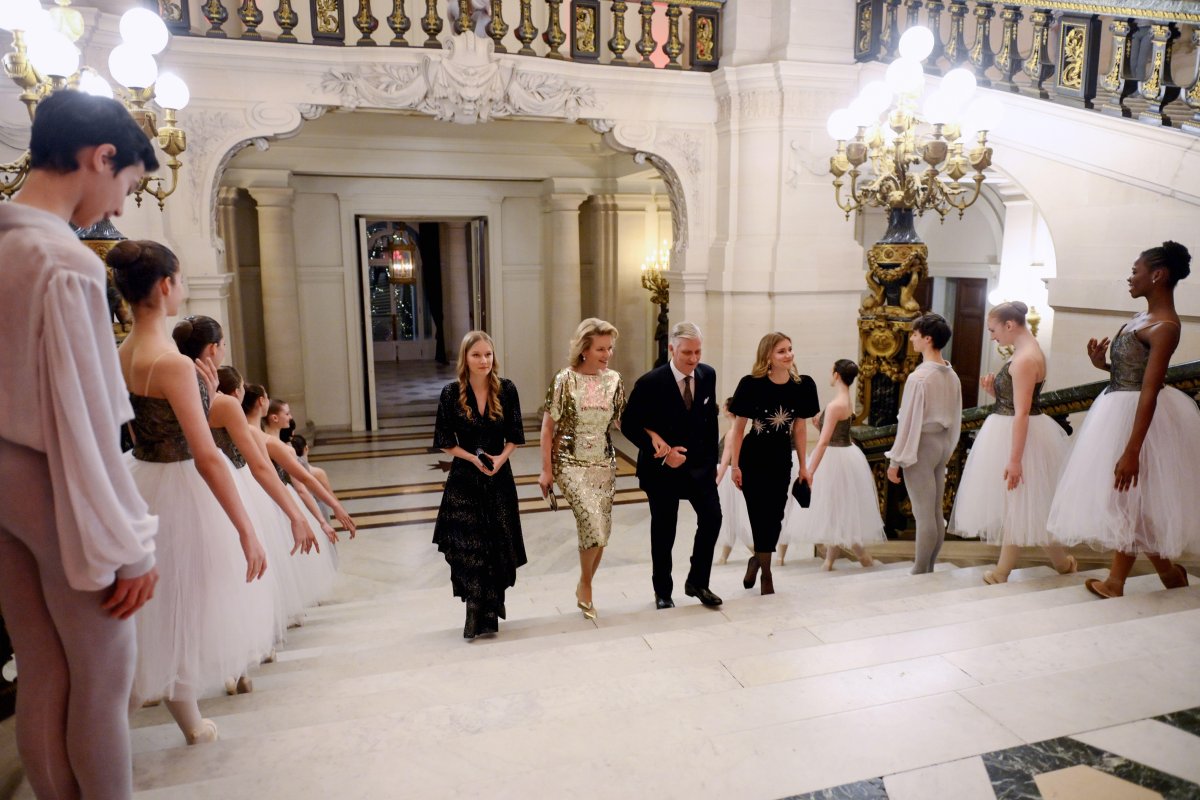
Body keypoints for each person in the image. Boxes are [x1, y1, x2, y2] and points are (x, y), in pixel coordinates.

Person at [0, 89, 160, 800]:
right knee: (102, 673)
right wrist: (132, 546)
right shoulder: (64, 262)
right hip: (51, 481)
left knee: (40, 667)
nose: (121, 206)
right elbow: (89, 418)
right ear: (100, 158)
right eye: (127, 183)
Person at [110, 240, 274, 746]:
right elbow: (205, 454)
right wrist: (246, 528)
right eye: (180, 279)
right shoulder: (174, 363)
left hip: (142, 477)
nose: (182, 287)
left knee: (164, 606)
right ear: (166, 286)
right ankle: (120, 724)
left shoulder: (122, 351)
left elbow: (139, 432)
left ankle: (188, 719)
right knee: (187, 603)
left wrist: (203, 393)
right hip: (180, 484)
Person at [1048, 242, 1199, 597]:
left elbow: (1150, 389)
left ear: (1157, 275)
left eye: (1135, 271)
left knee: (1126, 499)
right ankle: (1168, 573)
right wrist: (1105, 367)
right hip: (1117, 408)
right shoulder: (1140, 318)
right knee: (1126, 501)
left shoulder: (1165, 326)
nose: (1130, 278)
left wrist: (1133, 450)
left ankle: (1116, 582)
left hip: (1140, 420)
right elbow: (1134, 373)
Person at [951, 303, 1077, 583]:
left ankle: (1001, 572)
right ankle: (1062, 564)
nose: (993, 337)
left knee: (1017, 504)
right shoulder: (1027, 352)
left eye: (994, 330)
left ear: (1010, 325)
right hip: (1017, 429)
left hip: (1020, 434)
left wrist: (1015, 459)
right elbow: (1016, 401)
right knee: (1028, 504)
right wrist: (995, 390)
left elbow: (1021, 412)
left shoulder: (1024, 359)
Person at [621, 322, 723, 609]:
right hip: (662, 471)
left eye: (698, 352)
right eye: (687, 353)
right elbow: (628, 425)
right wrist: (663, 452)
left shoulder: (708, 375)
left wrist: (713, 463)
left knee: (713, 518)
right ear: (672, 349)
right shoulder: (650, 383)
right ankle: (663, 591)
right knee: (665, 530)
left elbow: (711, 421)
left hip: (700, 467)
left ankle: (698, 582)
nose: (693, 359)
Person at [433, 331, 527, 639]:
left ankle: (489, 613)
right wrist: (473, 459)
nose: (483, 360)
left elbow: (515, 435)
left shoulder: (507, 389)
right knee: (468, 547)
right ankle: (473, 612)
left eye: (487, 354)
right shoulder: (450, 393)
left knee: (495, 545)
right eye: (476, 355)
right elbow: (445, 443)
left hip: (499, 478)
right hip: (464, 479)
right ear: (465, 359)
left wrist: (500, 459)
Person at [538, 318, 626, 620]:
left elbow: (622, 420)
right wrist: (545, 471)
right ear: (584, 349)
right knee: (590, 520)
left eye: (610, 348)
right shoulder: (565, 379)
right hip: (569, 462)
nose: (607, 354)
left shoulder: (614, 380)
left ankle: (584, 582)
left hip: (603, 462)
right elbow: (547, 428)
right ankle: (586, 585)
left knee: (601, 531)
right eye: (601, 348)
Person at [728, 332, 820, 594]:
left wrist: (804, 466)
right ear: (768, 355)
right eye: (781, 351)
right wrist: (735, 466)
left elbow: (800, 429)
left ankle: (758, 559)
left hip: (781, 458)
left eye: (790, 349)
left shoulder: (802, 386)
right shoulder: (751, 385)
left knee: (776, 516)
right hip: (753, 458)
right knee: (759, 515)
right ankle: (767, 575)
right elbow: (738, 429)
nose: (788, 354)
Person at [886, 313, 963, 575]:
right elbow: (958, 414)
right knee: (934, 509)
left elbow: (908, 422)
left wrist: (896, 460)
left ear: (927, 339)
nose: (912, 339)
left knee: (923, 513)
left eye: (915, 334)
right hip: (941, 444)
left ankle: (920, 569)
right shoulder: (951, 375)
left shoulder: (919, 378)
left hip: (921, 445)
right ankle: (928, 566)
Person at [793, 360, 884, 571]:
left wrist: (810, 470)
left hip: (834, 457)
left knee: (837, 509)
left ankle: (851, 558)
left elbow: (824, 442)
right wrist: (820, 425)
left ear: (836, 375)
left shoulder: (835, 405)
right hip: (846, 454)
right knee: (839, 509)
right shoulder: (846, 401)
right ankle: (836, 560)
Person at [715, 398, 753, 565]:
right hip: (728, 475)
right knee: (730, 517)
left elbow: (725, 461)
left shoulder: (732, 433)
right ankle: (724, 557)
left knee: (732, 516)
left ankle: (757, 552)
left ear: (728, 410)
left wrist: (716, 481)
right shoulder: (735, 431)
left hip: (727, 477)